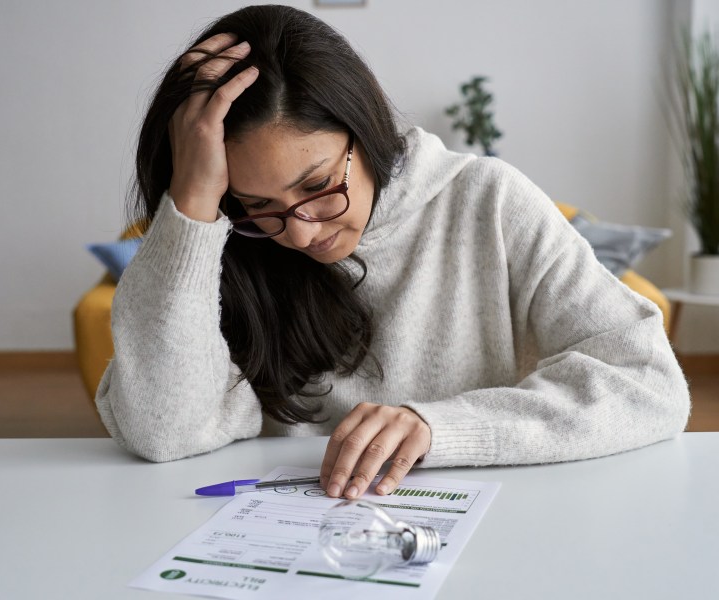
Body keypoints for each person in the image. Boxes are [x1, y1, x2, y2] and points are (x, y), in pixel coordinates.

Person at [95, 5, 690, 500]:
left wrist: (440, 428)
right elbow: (163, 431)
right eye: (259, 206)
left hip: (478, 529)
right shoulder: (221, 236)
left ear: (364, 125)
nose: (299, 235)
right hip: (279, 541)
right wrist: (194, 204)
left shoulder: (488, 201)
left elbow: (649, 383)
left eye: (317, 186)